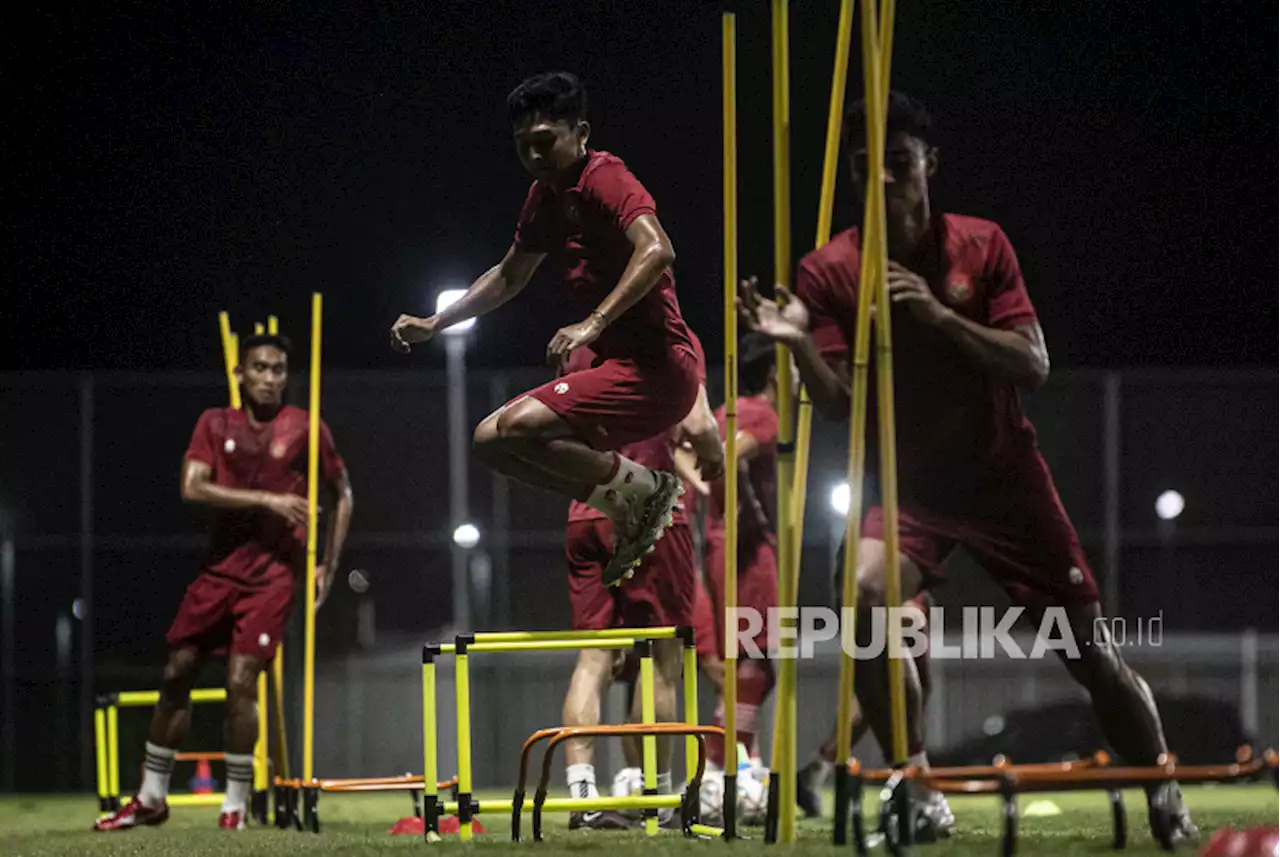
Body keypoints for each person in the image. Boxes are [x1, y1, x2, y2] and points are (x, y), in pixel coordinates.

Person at [737, 91, 1197, 845]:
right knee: (858, 595)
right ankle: (916, 783)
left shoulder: (980, 246)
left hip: (1004, 481)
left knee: (1092, 654)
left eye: (899, 166)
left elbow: (1035, 363)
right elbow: (840, 401)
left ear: (929, 166)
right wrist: (793, 344)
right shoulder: (829, 270)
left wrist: (940, 317)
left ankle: (1162, 786)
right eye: (866, 169)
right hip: (910, 488)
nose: (884, 182)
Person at [390, 71, 700, 586]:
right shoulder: (544, 198)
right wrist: (437, 322)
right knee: (489, 441)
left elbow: (658, 248)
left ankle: (646, 490)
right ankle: (627, 498)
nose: (534, 156)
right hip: (622, 373)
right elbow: (509, 275)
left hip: (659, 370)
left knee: (516, 427)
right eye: (522, 146)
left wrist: (593, 322)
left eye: (545, 142)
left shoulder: (605, 177)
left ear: (581, 132)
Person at [94, 334, 353, 832]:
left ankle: (233, 806)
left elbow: (342, 492)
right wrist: (268, 500)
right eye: (260, 367)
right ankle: (150, 798)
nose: (270, 378)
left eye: (279, 369)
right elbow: (192, 487)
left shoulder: (305, 425)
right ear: (240, 373)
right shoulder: (215, 423)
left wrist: (328, 563)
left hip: (273, 575)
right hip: (217, 570)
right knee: (177, 672)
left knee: (240, 683)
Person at [556, 335, 723, 830]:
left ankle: (582, 796)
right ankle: (658, 796)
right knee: (662, 659)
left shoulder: (577, 342)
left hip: (585, 509)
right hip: (648, 506)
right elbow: (697, 423)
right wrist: (710, 451)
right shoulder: (673, 337)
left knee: (592, 660)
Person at [692, 333, 781, 776]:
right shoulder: (763, 414)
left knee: (740, 665)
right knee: (758, 664)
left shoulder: (723, 412)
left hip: (716, 545)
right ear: (777, 372)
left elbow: (691, 454)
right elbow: (728, 455)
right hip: (748, 550)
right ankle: (717, 765)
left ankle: (746, 763)